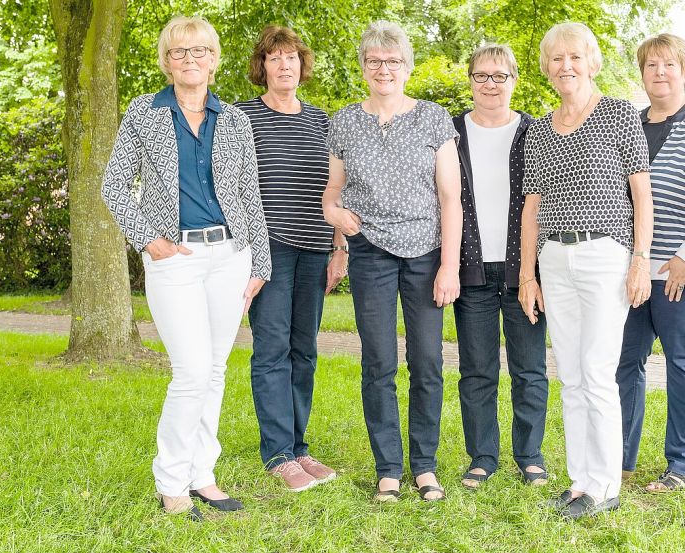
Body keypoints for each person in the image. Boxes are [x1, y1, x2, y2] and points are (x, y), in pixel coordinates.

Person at [101, 15, 270, 520]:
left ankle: (202, 475)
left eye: (200, 51)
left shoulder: (236, 120)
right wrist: (148, 239)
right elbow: (114, 185)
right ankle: (171, 481)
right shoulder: (143, 114)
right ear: (167, 61)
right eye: (179, 52)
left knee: (215, 370)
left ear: (215, 60)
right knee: (191, 371)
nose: (190, 59)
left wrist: (258, 260)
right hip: (176, 258)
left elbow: (249, 194)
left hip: (230, 257)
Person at [322, 20, 462, 503]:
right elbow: (331, 196)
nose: (384, 69)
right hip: (370, 255)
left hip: (426, 255)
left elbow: (450, 199)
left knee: (426, 363)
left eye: (393, 61)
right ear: (363, 66)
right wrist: (339, 218)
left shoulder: (433, 119)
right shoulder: (342, 123)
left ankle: (424, 467)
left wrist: (449, 266)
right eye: (375, 61)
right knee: (378, 362)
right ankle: (387, 468)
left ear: (407, 67)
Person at [518, 22, 652, 520]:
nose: (566, 65)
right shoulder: (540, 128)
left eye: (575, 56)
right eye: (556, 58)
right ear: (547, 68)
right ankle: (580, 482)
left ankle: (605, 486)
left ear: (592, 62)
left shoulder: (618, 114)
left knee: (597, 372)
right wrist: (527, 275)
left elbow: (642, 195)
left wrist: (641, 259)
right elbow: (531, 207)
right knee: (570, 375)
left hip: (605, 256)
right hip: (554, 257)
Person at [236, 26, 346, 493]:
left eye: (293, 58)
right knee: (272, 349)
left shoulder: (322, 120)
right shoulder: (241, 116)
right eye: (275, 58)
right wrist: (246, 254)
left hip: (316, 248)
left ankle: (299, 447)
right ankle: (278, 453)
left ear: (303, 65)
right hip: (270, 250)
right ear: (262, 67)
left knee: (305, 349)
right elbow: (231, 184)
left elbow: (340, 187)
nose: (285, 65)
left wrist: (339, 248)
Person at [616, 33, 685, 492]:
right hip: (631, 270)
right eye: (651, 65)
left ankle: (683, 465)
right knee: (623, 364)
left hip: (679, 273)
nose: (659, 73)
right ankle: (618, 458)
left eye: (669, 65)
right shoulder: (628, 125)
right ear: (641, 73)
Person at [452, 44, 549, 490]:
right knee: (477, 369)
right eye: (481, 76)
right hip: (470, 268)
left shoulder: (536, 131)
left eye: (499, 76)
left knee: (529, 369)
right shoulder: (451, 132)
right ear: (470, 80)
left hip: (523, 271)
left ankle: (530, 456)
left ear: (514, 80)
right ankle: (482, 456)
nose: (490, 84)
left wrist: (532, 271)